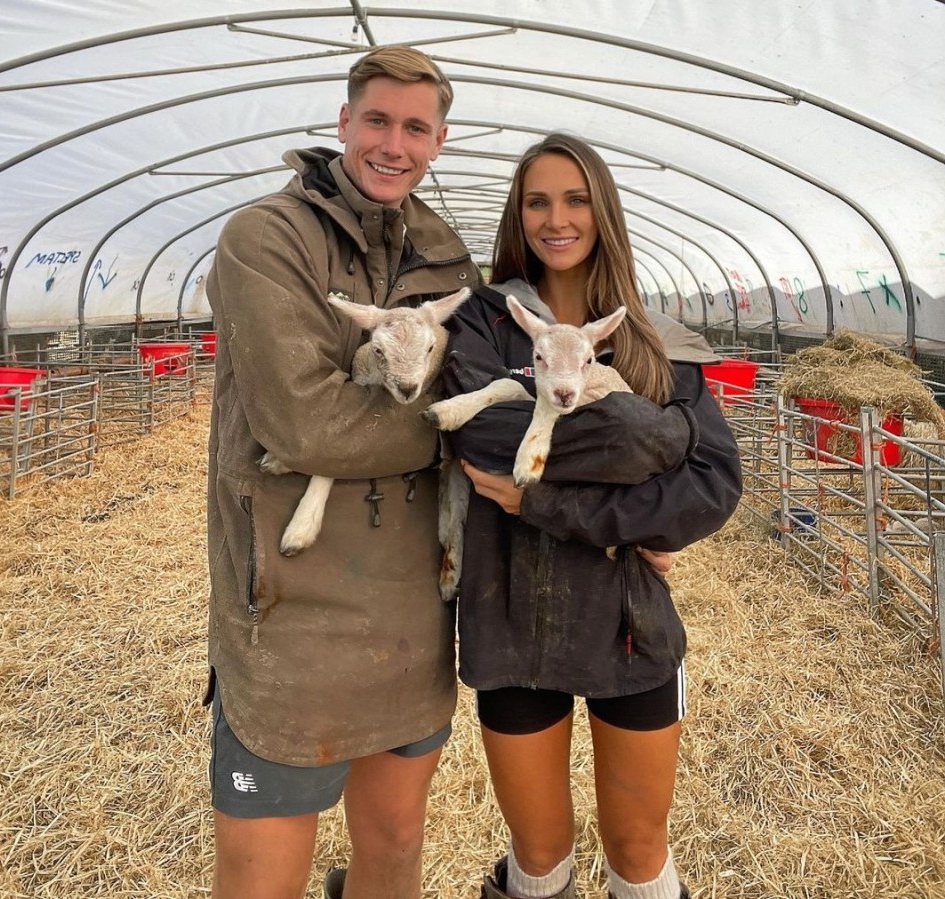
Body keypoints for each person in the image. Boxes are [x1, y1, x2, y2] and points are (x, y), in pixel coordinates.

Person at [202, 46, 482, 899]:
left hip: (410, 608)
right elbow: (306, 421)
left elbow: (490, 398)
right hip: (289, 606)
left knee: (394, 843)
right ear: (343, 124)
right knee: (263, 874)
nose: (393, 144)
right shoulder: (265, 238)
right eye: (377, 121)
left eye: (415, 128)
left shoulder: (447, 260)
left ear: (438, 142)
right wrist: (442, 431)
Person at [439, 133, 743, 899]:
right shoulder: (484, 322)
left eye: (575, 199)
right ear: (519, 215)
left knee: (639, 850)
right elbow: (483, 434)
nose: (556, 218)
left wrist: (550, 500)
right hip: (509, 617)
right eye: (537, 201)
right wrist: (653, 437)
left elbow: (713, 481)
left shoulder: (651, 338)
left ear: (603, 210)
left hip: (629, 617)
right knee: (538, 855)